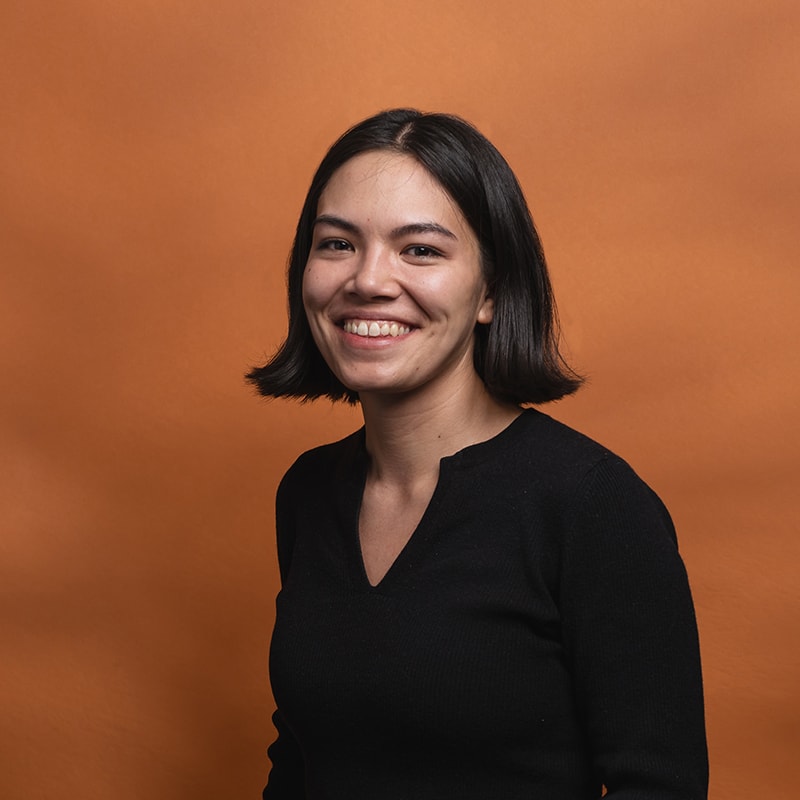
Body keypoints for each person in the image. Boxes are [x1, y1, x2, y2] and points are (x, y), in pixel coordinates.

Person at [247, 108, 708, 799]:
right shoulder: (309, 491)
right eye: (337, 244)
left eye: (420, 250)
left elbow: (660, 786)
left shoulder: (594, 504)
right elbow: (303, 759)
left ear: (490, 290)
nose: (368, 280)